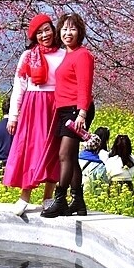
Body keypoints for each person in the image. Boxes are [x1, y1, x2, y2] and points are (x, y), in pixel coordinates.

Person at [4, 13, 66, 216]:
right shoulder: (28, 56)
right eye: (39, 33)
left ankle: (48, 197)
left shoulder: (64, 55)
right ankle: (25, 196)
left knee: (54, 151)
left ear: (53, 30)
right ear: (34, 37)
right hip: (34, 106)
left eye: (47, 30)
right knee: (31, 150)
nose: (44, 35)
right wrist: (13, 115)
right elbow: (19, 86)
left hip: (56, 106)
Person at [41, 13, 96, 218]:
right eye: (64, 29)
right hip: (65, 110)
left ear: (80, 32)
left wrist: (82, 113)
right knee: (71, 158)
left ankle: (60, 199)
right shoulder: (66, 54)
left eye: (72, 29)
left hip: (76, 110)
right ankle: (78, 202)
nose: (67, 33)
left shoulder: (83, 55)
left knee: (64, 155)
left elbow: (85, 86)